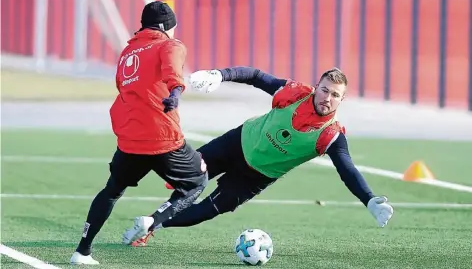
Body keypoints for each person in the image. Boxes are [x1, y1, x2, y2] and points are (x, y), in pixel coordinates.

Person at [124, 66, 394, 248]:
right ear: (316, 88)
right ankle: (131, 191)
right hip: (237, 143)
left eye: (335, 95)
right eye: (324, 90)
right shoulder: (293, 94)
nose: (327, 97)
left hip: (255, 177)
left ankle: (151, 225)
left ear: (341, 100)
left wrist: (369, 199)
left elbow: (347, 169)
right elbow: (255, 76)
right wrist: (220, 75)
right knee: (187, 178)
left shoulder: (331, 136)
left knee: (206, 211)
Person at [69, 1, 208, 265]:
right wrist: (176, 93)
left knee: (111, 191)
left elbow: (124, 87)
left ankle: (82, 251)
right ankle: (153, 221)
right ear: (167, 27)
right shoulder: (170, 44)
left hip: (130, 139)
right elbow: (173, 71)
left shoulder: (127, 52)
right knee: (197, 181)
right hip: (162, 137)